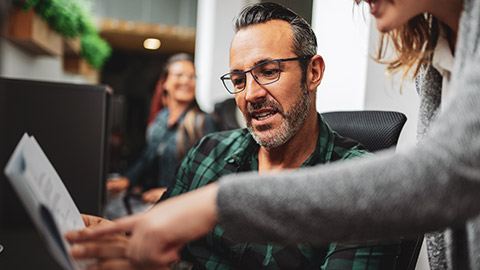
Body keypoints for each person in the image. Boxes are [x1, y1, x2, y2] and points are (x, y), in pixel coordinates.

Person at [70, 0, 480, 269]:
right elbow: (155, 239)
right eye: (238, 79)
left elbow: (445, 174)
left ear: (313, 73)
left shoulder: (358, 177)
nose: (250, 95)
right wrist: (110, 237)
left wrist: (216, 204)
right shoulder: (209, 152)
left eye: (269, 71)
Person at [106, 53, 218, 206]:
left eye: (192, 77)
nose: (186, 81)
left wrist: (169, 192)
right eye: (179, 75)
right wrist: (127, 180)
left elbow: (210, 176)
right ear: (165, 83)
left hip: (186, 210)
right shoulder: (161, 118)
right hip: (160, 207)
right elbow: (147, 157)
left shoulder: (203, 122)